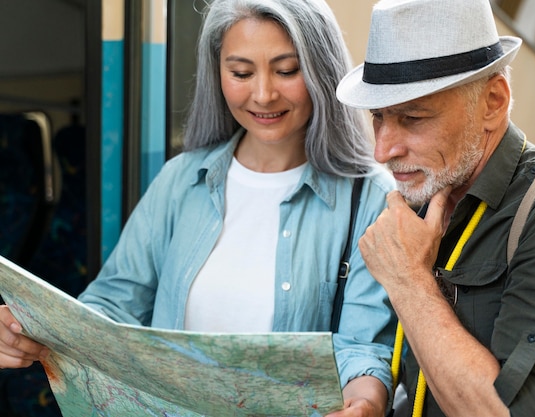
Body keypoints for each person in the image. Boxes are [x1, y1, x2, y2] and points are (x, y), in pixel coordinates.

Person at [0, 0, 398, 415]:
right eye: (241, 73)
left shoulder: (370, 198)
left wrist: (366, 401)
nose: (263, 94)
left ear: (321, 69)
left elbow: (363, 348)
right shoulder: (181, 180)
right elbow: (112, 307)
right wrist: (27, 328)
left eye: (286, 70)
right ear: (218, 73)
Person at [336, 0, 535, 416]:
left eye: (413, 118)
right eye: (378, 116)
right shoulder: (426, 194)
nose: (383, 150)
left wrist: (409, 282)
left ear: (492, 101)